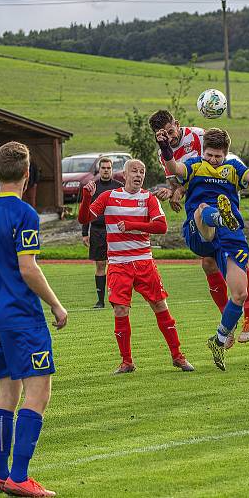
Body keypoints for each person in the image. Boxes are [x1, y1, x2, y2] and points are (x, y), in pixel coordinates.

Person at [0, 141, 68, 497]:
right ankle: (20, 477)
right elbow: (28, 268)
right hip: (22, 317)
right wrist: (56, 305)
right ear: (27, 175)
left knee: (6, 393)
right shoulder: (25, 213)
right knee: (38, 392)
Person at [159, 128, 249, 371]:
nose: (213, 160)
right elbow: (174, 168)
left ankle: (218, 340)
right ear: (203, 151)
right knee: (201, 210)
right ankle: (219, 216)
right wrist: (166, 147)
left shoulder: (232, 169)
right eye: (209, 155)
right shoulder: (194, 165)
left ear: (225, 154)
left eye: (218, 157)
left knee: (239, 294)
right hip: (197, 229)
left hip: (230, 236)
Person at [78, 159, 194, 374]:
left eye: (142, 171)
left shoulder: (148, 199)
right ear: (125, 174)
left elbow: (161, 226)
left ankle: (178, 356)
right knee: (121, 310)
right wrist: (86, 197)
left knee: (160, 306)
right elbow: (84, 217)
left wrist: (132, 225)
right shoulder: (108, 197)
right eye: (134, 171)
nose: (139, 174)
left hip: (144, 262)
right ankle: (127, 361)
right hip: (119, 264)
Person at [81, 157, 123, 308]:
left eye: (108, 168)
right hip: (97, 230)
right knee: (100, 264)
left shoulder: (119, 187)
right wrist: (85, 233)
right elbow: (85, 210)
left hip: (115, 230)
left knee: (117, 265)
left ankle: (118, 298)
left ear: (112, 170)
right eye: (103, 168)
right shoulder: (92, 187)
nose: (106, 170)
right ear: (99, 170)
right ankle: (100, 301)